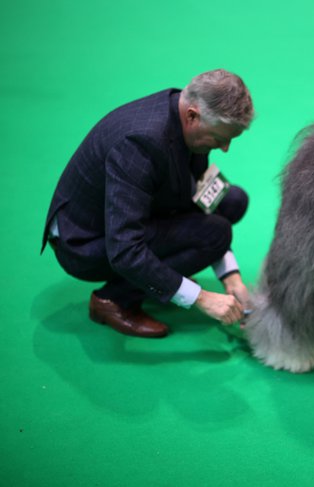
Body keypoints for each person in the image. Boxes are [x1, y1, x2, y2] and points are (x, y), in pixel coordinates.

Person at [41, 69, 255, 338]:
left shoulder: (185, 113)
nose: (225, 148)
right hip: (86, 242)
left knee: (232, 200)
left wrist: (231, 277)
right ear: (192, 116)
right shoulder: (138, 145)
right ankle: (113, 300)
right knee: (215, 233)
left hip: (136, 208)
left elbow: (203, 193)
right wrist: (200, 298)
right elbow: (124, 250)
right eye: (220, 138)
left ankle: (160, 277)